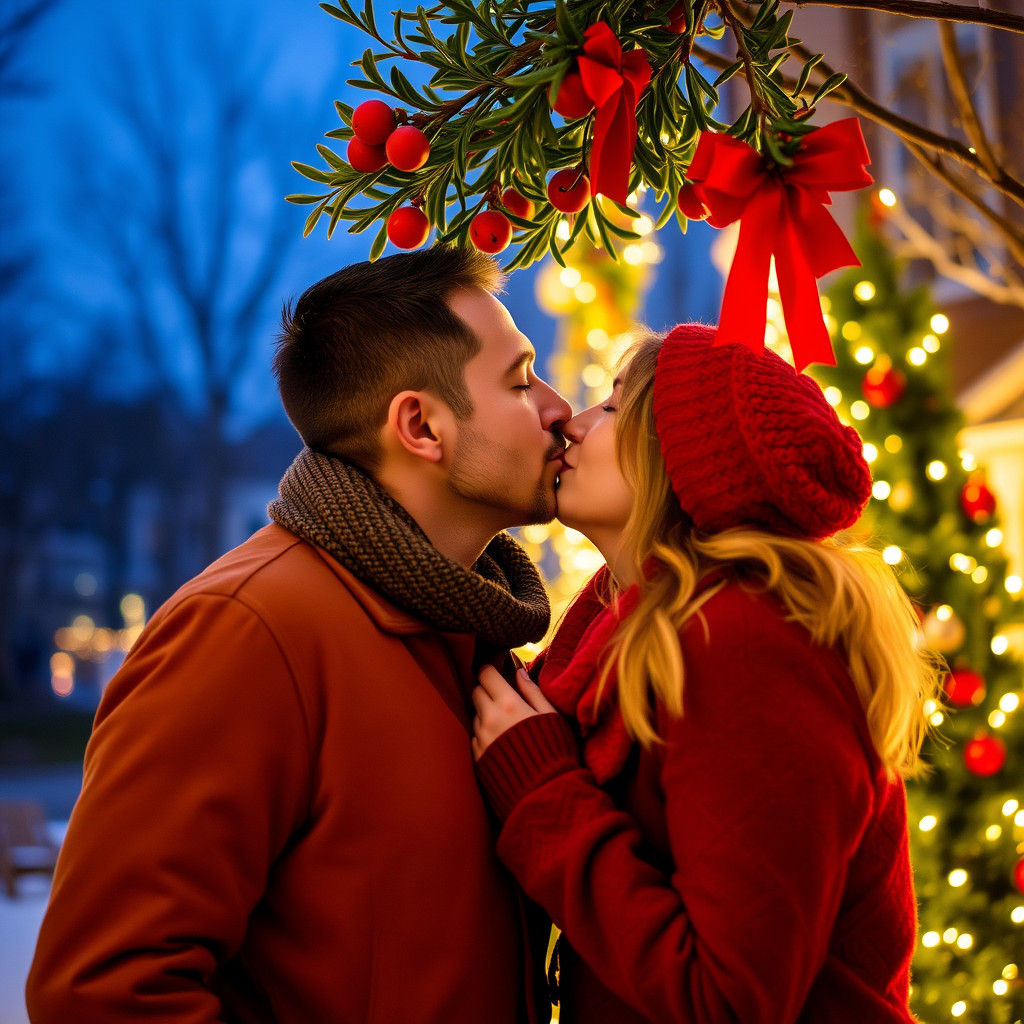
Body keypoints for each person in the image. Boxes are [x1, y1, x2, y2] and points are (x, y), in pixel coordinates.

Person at [27, 246, 571, 1024]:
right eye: (520, 381)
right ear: (421, 425)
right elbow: (103, 993)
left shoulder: (465, 633)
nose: (557, 408)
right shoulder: (246, 633)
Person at [471, 323, 943, 1023]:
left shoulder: (748, 643)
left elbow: (727, 1001)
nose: (573, 421)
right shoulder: (629, 631)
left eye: (613, 405)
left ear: (677, 456)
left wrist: (544, 793)